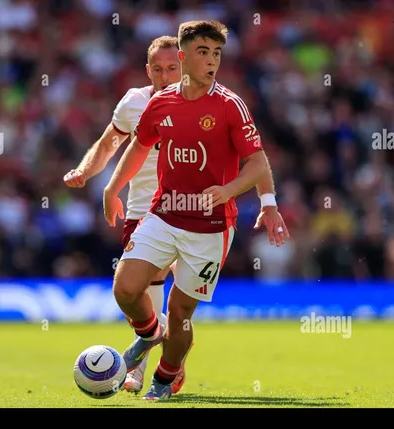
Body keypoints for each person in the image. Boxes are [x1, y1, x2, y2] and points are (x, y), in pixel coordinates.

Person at [66, 34, 289, 396]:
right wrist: (104, 184)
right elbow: (119, 144)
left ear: (181, 63)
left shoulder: (228, 105)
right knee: (130, 287)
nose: (166, 74)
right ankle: (149, 341)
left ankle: (166, 374)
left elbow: (256, 159)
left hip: (210, 223)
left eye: (173, 67)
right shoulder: (141, 103)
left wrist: (266, 202)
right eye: (159, 68)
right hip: (153, 209)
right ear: (149, 69)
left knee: (180, 310)